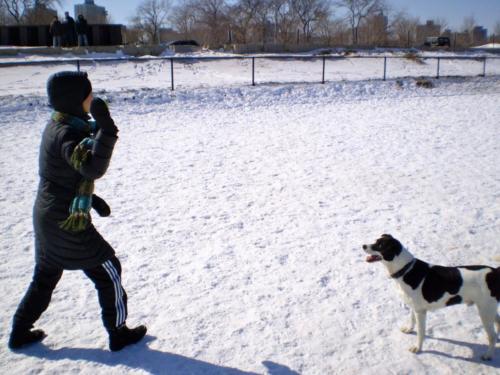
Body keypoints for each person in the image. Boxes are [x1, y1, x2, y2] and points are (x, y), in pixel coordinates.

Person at [8, 71, 147, 352]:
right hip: (66, 222)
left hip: (49, 215)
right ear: (75, 99)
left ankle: (19, 331)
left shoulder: (60, 125)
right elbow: (90, 167)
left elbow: (64, 175)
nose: (92, 99)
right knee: (109, 269)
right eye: (88, 95)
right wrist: (107, 129)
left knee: (45, 277)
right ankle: (118, 332)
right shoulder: (67, 134)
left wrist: (92, 199)